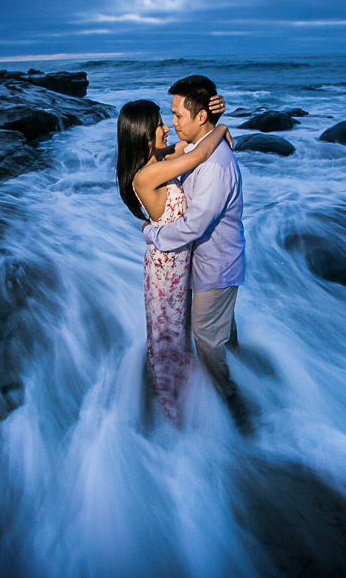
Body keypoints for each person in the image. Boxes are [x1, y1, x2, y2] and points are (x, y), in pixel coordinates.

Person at [141, 75, 248, 431]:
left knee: (206, 343)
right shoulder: (195, 149)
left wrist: (152, 233)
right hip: (199, 265)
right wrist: (222, 126)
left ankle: (233, 403)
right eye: (167, 118)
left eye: (177, 115)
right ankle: (243, 370)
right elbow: (188, 153)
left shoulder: (214, 165)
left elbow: (193, 226)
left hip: (215, 268)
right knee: (220, 334)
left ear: (200, 117)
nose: (172, 123)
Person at [116, 95, 230, 424]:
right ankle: (169, 408)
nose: (166, 128)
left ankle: (180, 397)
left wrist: (211, 116)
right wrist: (221, 128)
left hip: (177, 268)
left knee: (177, 333)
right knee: (168, 337)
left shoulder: (160, 159)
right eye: (158, 127)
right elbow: (199, 153)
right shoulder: (145, 176)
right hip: (165, 274)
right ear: (142, 135)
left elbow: (188, 146)